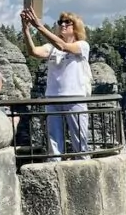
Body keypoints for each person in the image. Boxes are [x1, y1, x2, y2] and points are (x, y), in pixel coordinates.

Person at [20, 8, 91, 160]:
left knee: (80, 140)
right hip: (52, 97)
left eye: (68, 22)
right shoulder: (51, 47)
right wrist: (25, 29)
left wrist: (39, 26)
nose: (63, 25)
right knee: (54, 143)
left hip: (75, 98)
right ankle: (55, 169)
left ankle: (84, 167)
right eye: (61, 22)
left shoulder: (82, 45)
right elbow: (34, 52)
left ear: (76, 26)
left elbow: (64, 47)